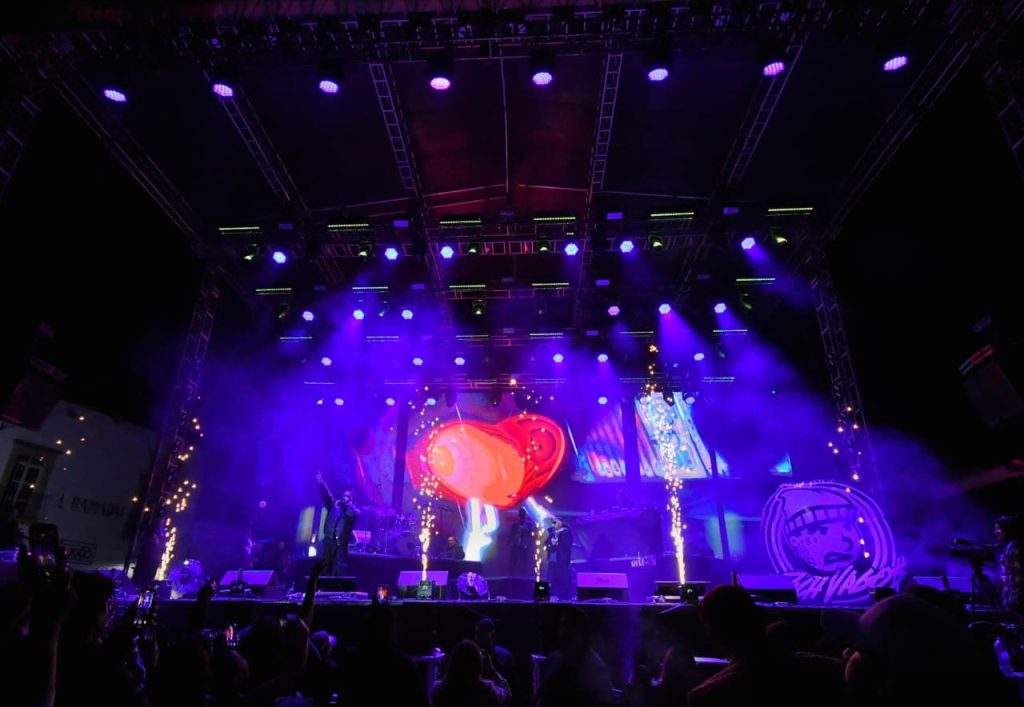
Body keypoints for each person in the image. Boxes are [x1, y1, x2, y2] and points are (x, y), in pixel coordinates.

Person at [430, 639, 510, 707]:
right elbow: (507, 695)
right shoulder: (487, 690)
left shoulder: (438, 690)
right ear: (478, 663)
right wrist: (492, 670)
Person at [316, 472, 360, 575]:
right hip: (328, 542)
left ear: (351, 499)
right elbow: (327, 496)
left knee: (337, 571)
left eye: (348, 497)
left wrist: (349, 505)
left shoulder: (353, 511)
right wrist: (321, 483)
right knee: (325, 569)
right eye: (344, 496)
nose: (345, 498)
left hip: (340, 545)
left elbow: (354, 514)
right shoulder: (334, 505)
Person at [995, 515, 1023, 615]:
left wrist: (1014, 598)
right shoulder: (1012, 546)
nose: (996, 532)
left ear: (1008, 529)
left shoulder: (1015, 547)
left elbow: (1016, 575)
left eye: (999, 529)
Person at [547, 518, 573, 600]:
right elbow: (546, 543)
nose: (553, 524)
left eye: (555, 522)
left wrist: (556, 543)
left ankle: (564, 596)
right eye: (553, 522)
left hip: (561, 559)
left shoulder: (566, 533)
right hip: (552, 559)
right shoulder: (552, 533)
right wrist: (550, 544)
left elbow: (566, 546)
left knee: (563, 578)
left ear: (560, 523)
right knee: (552, 578)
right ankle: (552, 595)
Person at [507, 508, 534, 577]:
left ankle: (524, 575)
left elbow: (531, 532)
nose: (521, 514)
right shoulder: (515, 524)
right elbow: (511, 534)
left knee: (524, 561)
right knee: (513, 561)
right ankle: (511, 575)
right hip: (516, 544)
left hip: (524, 545)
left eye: (523, 513)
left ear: (525, 514)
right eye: (520, 513)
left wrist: (524, 529)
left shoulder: (529, 524)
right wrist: (508, 542)